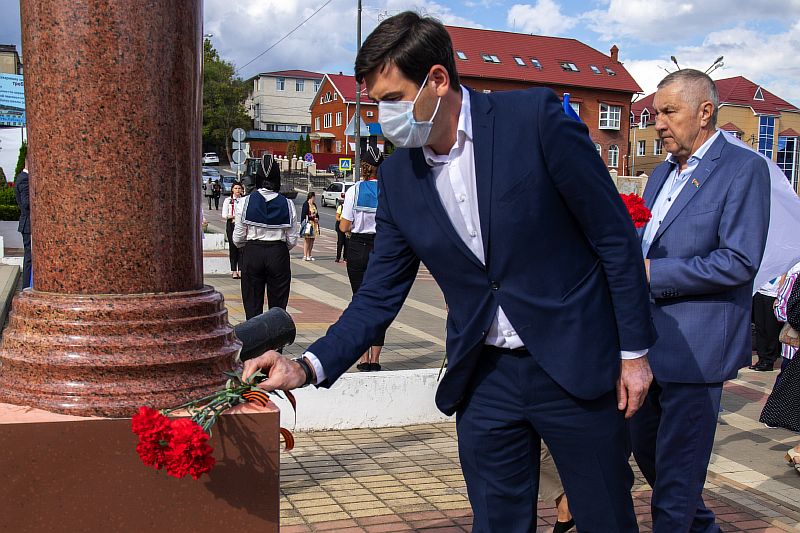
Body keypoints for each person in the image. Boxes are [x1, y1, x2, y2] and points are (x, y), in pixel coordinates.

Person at [242, 12, 656, 533]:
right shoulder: (398, 176)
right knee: (497, 523)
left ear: (438, 80)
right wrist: (306, 366)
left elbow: (612, 236)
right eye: (375, 104)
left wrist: (634, 354)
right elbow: (378, 297)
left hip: (575, 364)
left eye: (393, 100)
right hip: (484, 379)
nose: (383, 117)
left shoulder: (533, 119)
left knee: (606, 519)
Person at [630, 69, 771, 533]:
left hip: (697, 349)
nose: (658, 124)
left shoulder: (742, 169)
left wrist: (653, 273)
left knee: (674, 489)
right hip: (644, 348)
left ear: (705, 111)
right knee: (661, 472)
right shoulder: (659, 175)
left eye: (669, 112)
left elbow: (737, 260)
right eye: (655, 114)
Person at [233, 154, 298, 319]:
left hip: (253, 251)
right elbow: (292, 239)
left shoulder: (244, 202)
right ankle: (275, 344)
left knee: (252, 303)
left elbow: (238, 238)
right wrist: (279, 247)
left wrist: (247, 247)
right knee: (278, 306)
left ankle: (255, 342)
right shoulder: (288, 204)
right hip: (278, 253)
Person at [341, 143, 385, 371]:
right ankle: (375, 358)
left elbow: (344, 225)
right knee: (379, 302)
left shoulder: (354, 191)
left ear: (364, 167)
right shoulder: (389, 189)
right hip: (382, 249)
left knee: (360, 301)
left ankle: (362, 357)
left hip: (358, 247)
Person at [750, 277, 784, 371]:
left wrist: (779, 296)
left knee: (770, 329)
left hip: (773, 294)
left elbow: (784, 276)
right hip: (760, 292)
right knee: (760, 327)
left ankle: (769, 360)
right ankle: (761, 358)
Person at [14, 157, 31, 289]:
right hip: (28, 224)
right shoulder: (24, 179)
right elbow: (26, 203)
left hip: (28, 224)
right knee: (29, 259)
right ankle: (26, 287)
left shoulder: (22, 177)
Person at [221, 182, 244, 279]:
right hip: (232, 224)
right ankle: (234, 270)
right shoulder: (228, 200)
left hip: (241, 225)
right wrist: (233, 216)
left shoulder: (244, 200)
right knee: (233, 247)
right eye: (236, 188)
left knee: (242, 248)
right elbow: (224, 215)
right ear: (232, 189)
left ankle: (241, 269)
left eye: (239, 188)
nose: (238, 190)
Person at [299, 191, 319, 261]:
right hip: (308, 224)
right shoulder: (306, 204)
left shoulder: (314, 205)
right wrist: (312, 218)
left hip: (314, 225)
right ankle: (305, 255)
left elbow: (317, 214)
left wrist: (316, 218)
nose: (314, 199)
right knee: (307, 240)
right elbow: (304, 215)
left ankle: (309, 255)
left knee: (312, 240)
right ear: (311, 197)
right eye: (313, 197)